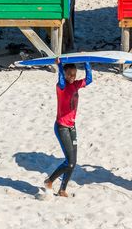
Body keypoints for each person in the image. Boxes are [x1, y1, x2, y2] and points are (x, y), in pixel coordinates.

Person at [44, 61, 92, 197]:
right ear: (65, 74)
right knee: (69, 162)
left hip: (72, 126)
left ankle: (62, 190)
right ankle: (49, 181)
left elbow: (89, 79)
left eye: (74, 74)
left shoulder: (76, 85)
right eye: (69, 74)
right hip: (61, 127)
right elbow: (60, 79)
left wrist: (86, 61)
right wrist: (59, 65)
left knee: (73, 162)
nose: (72, 76)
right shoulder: (61, 86)